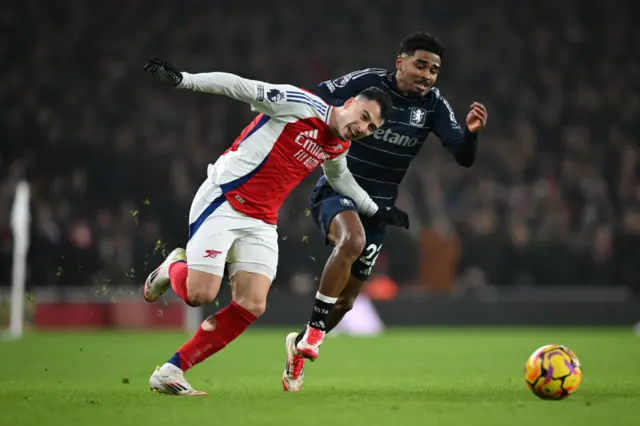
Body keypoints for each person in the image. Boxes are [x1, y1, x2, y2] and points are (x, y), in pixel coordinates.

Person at [140, 57, 407, 395]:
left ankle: (171, 370)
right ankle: (173, 266)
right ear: (351, 103)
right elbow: (240, 86)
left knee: (252, 305)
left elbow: (341, 178)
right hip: (224, 200)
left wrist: (378, 210)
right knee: (199, 294)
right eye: (364, 117)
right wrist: (184, 80)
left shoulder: (339, 144)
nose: (363, 127)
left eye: (371, 128)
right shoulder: (299, 104)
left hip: (262, 220)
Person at [282, 32, 488, 392]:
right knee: (351, 242)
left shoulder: (434, 105)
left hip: (378, 207)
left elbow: (463, 157)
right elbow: (315, 98)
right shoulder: (367, 83)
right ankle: (314, 335)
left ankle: (300, 345)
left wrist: (470, 135)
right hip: (337, 187)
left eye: (434, 70)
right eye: (420, 65)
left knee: (345, 303)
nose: (427, 75)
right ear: (400, 62)